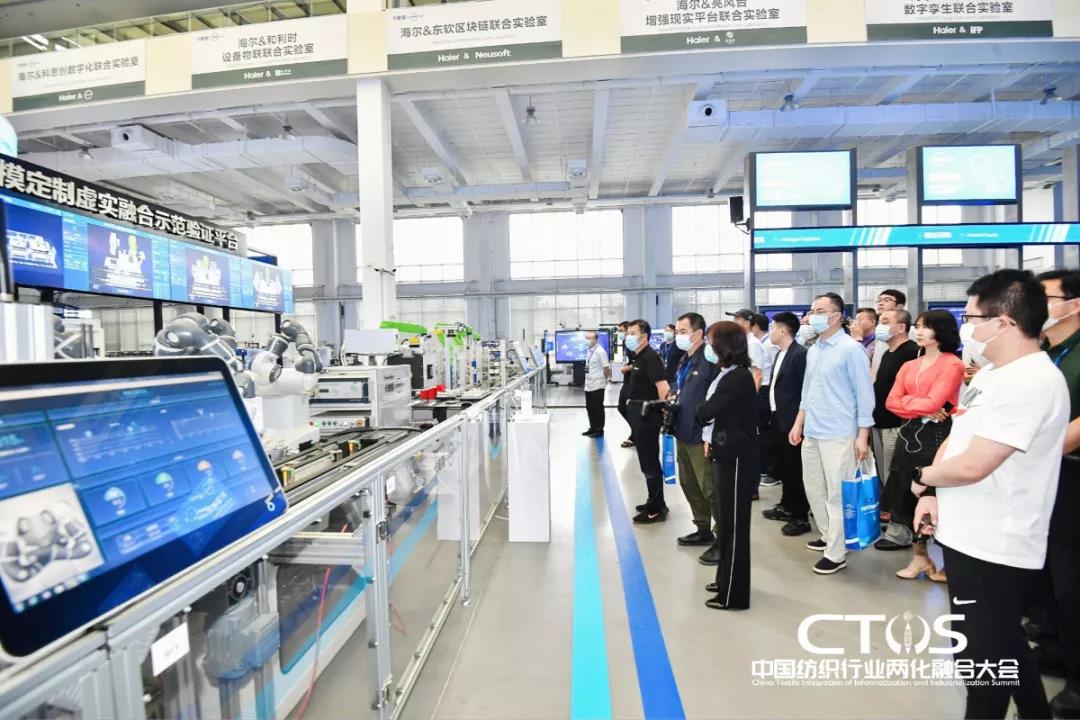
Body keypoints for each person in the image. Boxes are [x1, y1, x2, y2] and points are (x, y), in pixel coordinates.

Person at [913, 269, 1068, 720]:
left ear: (1003, 322)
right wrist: (933, 492)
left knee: (984, 659)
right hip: (966, 532)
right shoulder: (995, 374)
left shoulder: (1032, 381)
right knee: (998, 646)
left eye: (972, 317)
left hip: (996, 541)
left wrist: (920, 477)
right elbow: (958, 437)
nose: (967, 327)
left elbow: (976, 464)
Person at [788, 292, 874, 575]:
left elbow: (865, 395)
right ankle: (827, 535)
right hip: (813, 429)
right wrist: (798, 423)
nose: (813, 316)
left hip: (840, 433)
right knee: (814, 488)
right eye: (812, 311)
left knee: (838, 494)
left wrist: (863, 435)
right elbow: (807, 390)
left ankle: (836, 553)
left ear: (837, 316)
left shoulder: (851, 350)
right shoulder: (814, 350)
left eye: (820, 311)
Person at [879, 310, 963, 583]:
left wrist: (914, 404)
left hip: (938, 436)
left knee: (937, 497)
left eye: (926, 327)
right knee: (907, 495)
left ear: (942, 330)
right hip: (909, 433)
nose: (919, 331)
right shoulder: (909, 365)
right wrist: (921, 407)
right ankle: (920, 558)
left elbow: (934, 402)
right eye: (917, 326)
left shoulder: (952, 364)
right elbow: (891, 402)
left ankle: (950, 562)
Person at [1032, 269, 1080, 717]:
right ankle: (1052, 647)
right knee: (1043, 570)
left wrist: (1036, 450)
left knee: (1071, 578)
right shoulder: (1045, 352)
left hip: (1070, 473)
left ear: (1073, 303)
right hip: (1041, 474)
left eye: (1043, 296)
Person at [695, 321, 759, 610]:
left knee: (733, 527)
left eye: (712, 343)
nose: (709, 348)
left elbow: (707, 410)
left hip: (736, 458)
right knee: (725, 523)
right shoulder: (728, 374)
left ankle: (733, 594)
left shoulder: (736, 378)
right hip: (726, 453)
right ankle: (725, 579)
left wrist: (699, 408)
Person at [670, 312, 720, 561]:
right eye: (677, 332)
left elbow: (717, 396)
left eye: (682, 332)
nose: (677, 336)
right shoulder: (685, 359)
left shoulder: (709, 359)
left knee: (709, 487)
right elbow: (680, 387)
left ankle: (723, 538)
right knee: (689, 484)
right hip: (682, 431)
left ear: (698, 333)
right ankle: (703, 528)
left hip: (701, 435)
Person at [761, 312, 811, 536]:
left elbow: (805, 390)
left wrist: (799, 422)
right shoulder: (781, 353)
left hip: (793, 422)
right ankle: (787, 505)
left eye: (773, 328)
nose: (770, 332)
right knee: (785, 468)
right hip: (778, 419)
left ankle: (800, 516)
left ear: (782, 331)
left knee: (796, 469)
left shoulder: (800, 355)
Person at [622, 319, 671, 523]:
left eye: (632, 333)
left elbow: (663, 387)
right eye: (628, 333)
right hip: (638, 414)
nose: (628, 337)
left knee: (650, 464)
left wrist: (666, 413)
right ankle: (656, 501)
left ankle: (656, 509)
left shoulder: (650, 357)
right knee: (646, 463)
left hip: (647, 416)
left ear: (644, 337)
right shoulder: (639, 357)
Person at [870, 309, 918, 505]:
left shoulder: (912, 351)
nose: (880, 326)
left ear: (900, 327)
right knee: (883, 470)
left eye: (885, 321)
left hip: (897, 423)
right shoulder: (887, 353)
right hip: (879, 420)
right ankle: (887, 507)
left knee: (894, 471)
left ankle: (897, 511)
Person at [751, 313, 781, 487]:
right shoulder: (762, 343)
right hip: (764, 389)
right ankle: (765, 468)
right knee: (762, 431)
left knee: (767, 431)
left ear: (754, 327)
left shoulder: (769, 344)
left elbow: (769, 371)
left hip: (767, 389)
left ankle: (772, 471)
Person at [727, 309, 765, 389]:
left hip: (750, 390)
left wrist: (752, 395)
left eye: (737, 319)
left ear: (747, 323)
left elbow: (757, 375)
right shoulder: (743, 342)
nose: (734, 323)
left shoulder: (753, 344)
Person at [582, 331, 611, 438]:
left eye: (590, 338)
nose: (587, 340)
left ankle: (599, 430)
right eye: (586, 338)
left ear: (596, 339)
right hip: (588, 384)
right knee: (590, 408)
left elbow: (607, 368)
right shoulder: (589, 351)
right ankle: (593, 428)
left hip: (598, 384)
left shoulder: (600, 351)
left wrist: (604, 380)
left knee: (598, 408)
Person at [872, 289, 907, 377]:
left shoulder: (910, 331)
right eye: (879, 300)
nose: (880, 303)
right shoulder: (880, 329)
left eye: (887, 300)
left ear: (900, 306)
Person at [616, 321, 635, 448]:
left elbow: (639, 362)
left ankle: (635, 435)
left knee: (630, 409)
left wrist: (627, 368)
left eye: (622, 330)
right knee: (621, 407)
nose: (620, 333)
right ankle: (636, 431)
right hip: (627, 381)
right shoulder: (626, 344)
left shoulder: (633, 345)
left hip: (633, 382)